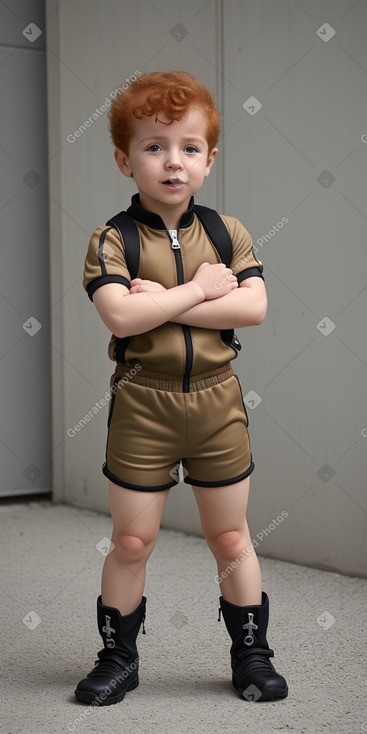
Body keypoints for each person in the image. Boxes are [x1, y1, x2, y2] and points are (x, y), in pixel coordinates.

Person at [76, 70, 288, 706]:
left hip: (218, 403)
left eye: (189, 148)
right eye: (154, 146)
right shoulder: (112, 237)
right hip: (143, 403)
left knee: (231, 538)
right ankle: (118, 657)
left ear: (209, 157)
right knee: (132, 540)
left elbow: (253, 309)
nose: (174, 162)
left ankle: (251, 656)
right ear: (124, 158)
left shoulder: (227, 232)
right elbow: (119, 316)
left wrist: (164, 301)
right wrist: (201, 291)